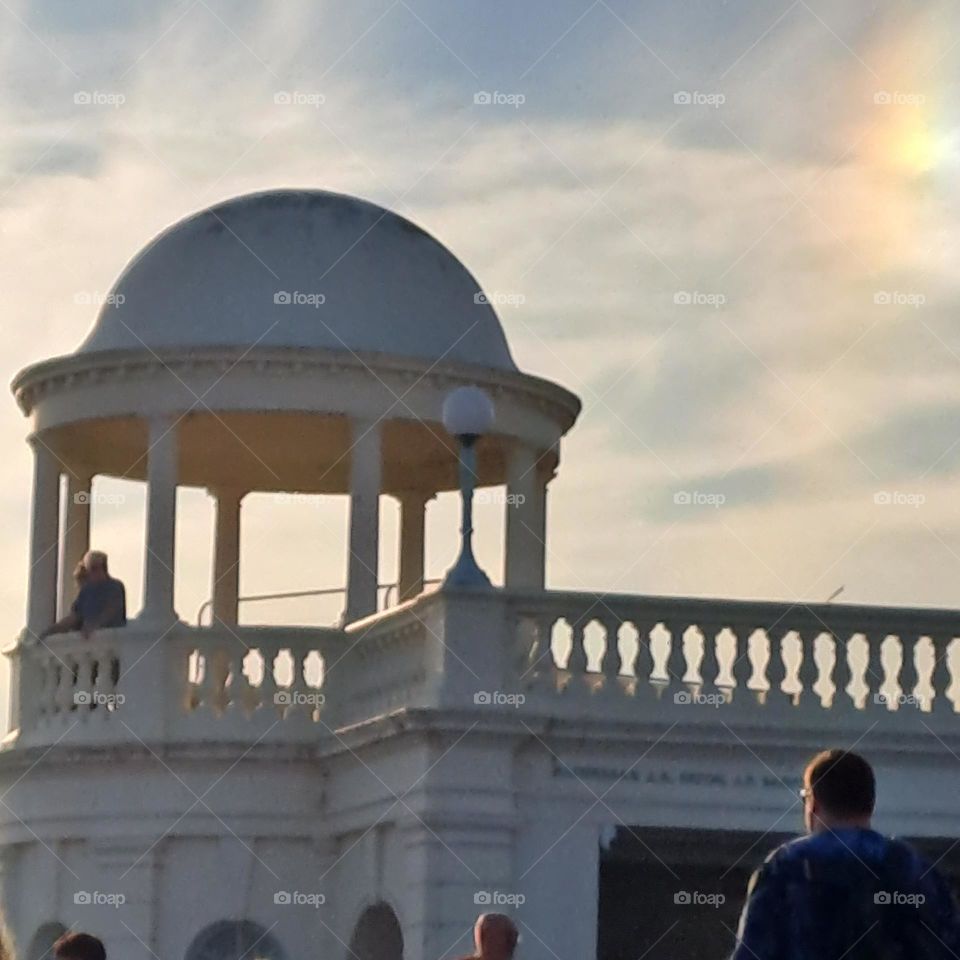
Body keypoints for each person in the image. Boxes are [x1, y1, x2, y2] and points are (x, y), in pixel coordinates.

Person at [731, 748, 960, 959]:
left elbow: (753, 952)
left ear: (814, 804)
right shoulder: (908, 866)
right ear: (870, 803)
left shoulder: (786, 865)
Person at [40, 550, 127, 639]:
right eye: (89, 569)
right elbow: (74, 617)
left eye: (94, 568)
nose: (90, 573)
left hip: (109, 641)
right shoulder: (86, 591)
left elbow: (111, 610)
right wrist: (51, 630)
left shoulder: (115, 587)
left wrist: (94, 625)